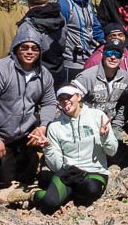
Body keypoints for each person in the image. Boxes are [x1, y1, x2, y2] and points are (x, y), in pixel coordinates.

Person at [0, 28, 57, 192]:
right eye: (24, 47)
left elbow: (49, 102)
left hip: (24, 134)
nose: (30, 52)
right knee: (2, 185)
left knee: (25, 179)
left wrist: (43, 126)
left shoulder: (44, 75)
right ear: (16, 48)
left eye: (34, 48)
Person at [36, 85, 117, 214]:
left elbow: (112, 151)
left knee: (91, 189)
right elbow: (57, 166)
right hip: (68, 172)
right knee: (49, 204)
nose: (65, 101)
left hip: (94, 172)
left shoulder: (97, 117)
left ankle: (65, 193)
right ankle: (34, 195)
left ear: (79, 97)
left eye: (69, 97)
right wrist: (48, 147)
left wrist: (105, 137)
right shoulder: (55, 126)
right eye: (61, 99)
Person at [71, 38, 128, 140]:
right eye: (109, 53)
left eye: (117, 54)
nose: (112, 57)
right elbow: (69, 101)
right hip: (84, 125)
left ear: (122, 58)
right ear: (102, 55)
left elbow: (123, 104)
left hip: (109, 125)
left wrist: (117, 125)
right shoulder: (87, 77)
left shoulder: (125, 78)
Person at [15, 0, 66, 87]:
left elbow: (19, 57)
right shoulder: (60, 19)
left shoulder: (27, 26)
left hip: (36, 79)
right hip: (59, 73)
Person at [58, 0, 105, 82]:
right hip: (71, 62)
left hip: (88, 59)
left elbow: (95, 27)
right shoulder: (64, 5)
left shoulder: (87, 4)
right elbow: (57, 32)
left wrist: (104, 41)